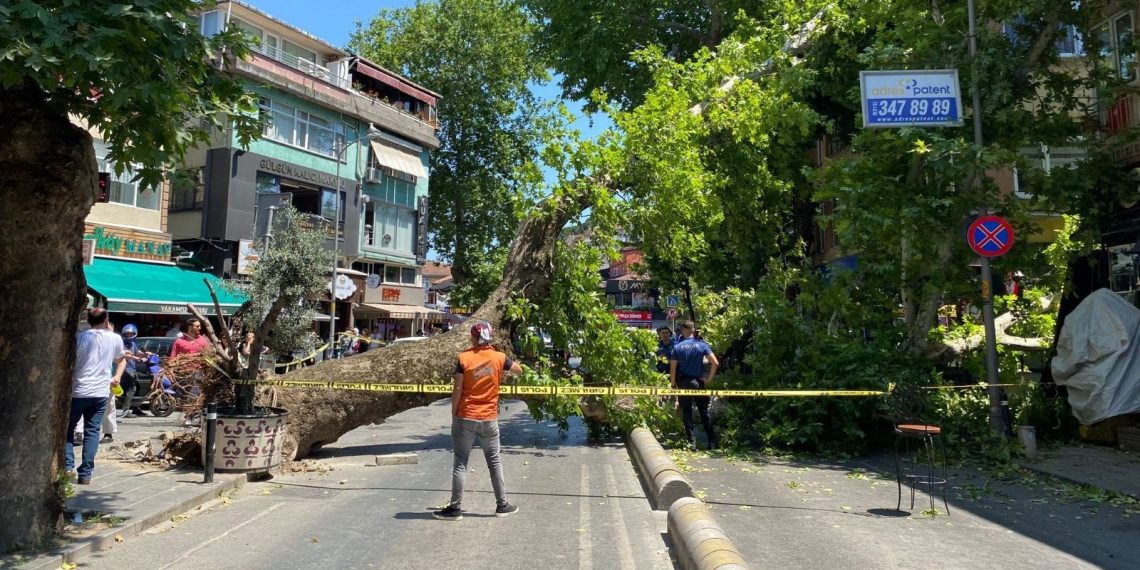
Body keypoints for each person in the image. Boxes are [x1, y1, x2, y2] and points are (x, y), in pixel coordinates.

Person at [433, 320, 523, 521]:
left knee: (460, 463)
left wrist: (454, 412)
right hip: (489, 418)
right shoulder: (500, 358)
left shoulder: (463, 358)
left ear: (474, 337)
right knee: (494, 462)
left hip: (466, 416)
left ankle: (455, 509)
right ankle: (502, 505)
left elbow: (457, 389)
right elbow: (518, 370)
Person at [66, 308, 127, 484]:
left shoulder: (79, 338)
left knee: (68, 430)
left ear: (88, 320)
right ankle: (86, 474)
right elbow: (122, 359)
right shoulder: (115, 338)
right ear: (106, 320)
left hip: (77, 390)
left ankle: (68, 466)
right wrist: (117, 377)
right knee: (92, 432)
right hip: (100, 391)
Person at [669, 320, 720, 450]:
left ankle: (691, 443)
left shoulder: (677, 347)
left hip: (684, 383)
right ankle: (712, 441)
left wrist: (673, 384)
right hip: (698, 382)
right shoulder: (702, 345)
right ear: (693, 330)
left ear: (684, 330)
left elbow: (673, 368)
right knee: (704, 411)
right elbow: (715, 363)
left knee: (687, 412)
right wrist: (708, 379)